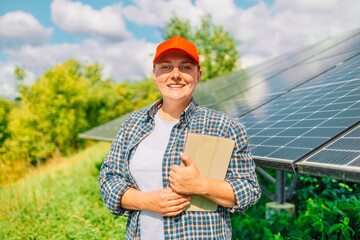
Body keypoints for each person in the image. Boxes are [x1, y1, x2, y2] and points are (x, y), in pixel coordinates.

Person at [99, 36, 261, 239]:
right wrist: (145, 201)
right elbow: (108, 180)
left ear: (198, 75)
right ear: (155, 74)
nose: (175, 75)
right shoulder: (133, 125)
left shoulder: (225, 127)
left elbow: (249, 189)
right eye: (166, 67)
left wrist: (201, 185)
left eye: (185, 67)